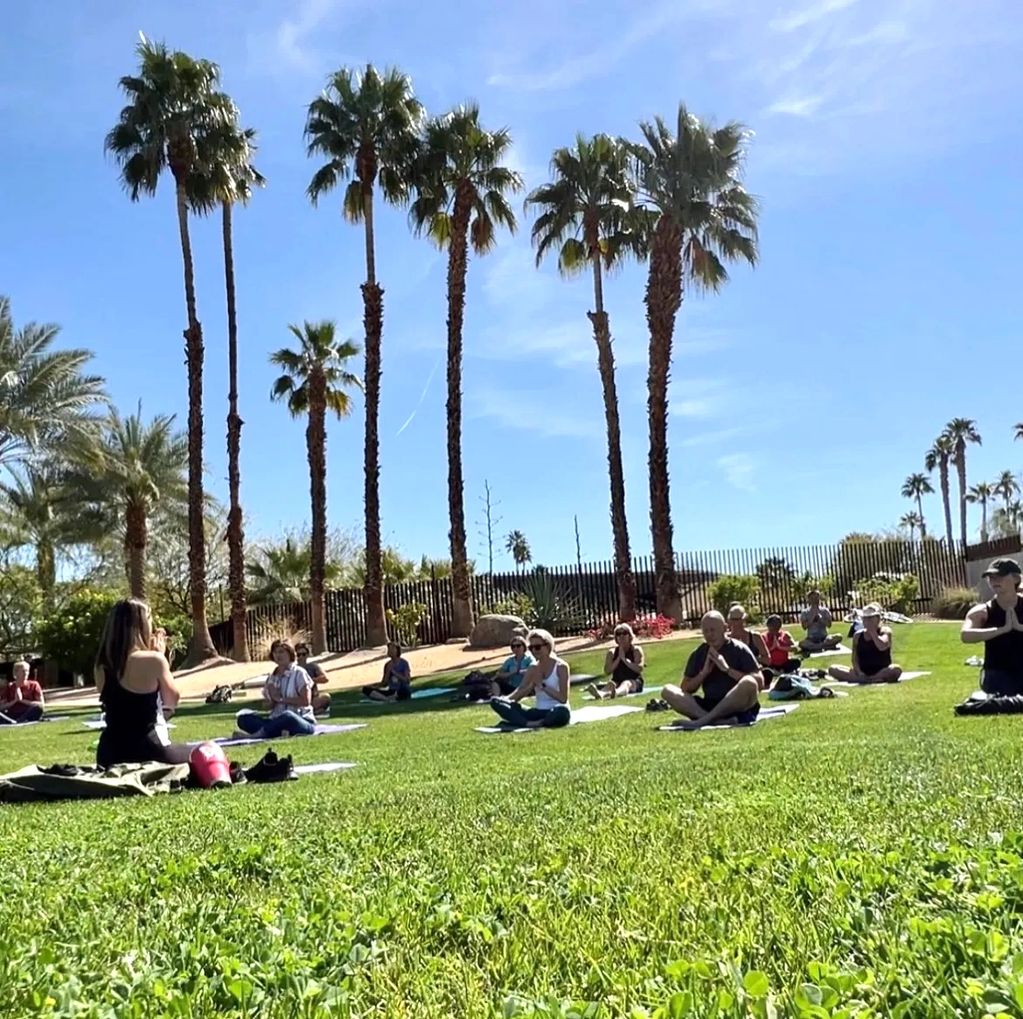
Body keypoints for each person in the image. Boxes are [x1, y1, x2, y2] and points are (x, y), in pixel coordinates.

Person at [94, 599, 192, 767]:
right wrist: (162, 658)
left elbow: (126, 710)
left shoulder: (100, 666)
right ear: (141, 625)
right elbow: (171, 701)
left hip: (109, 754)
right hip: (148, 751)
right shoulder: (154, 660)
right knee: (207, 750)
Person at [661, 611, 762, 729]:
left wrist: (727, 670)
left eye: (713, 630)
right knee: (667, 690)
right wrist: (703, 674)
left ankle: (704, 721)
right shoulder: (699, 653)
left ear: (725, 628)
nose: (709, 635)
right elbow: (685, 688)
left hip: (738, 706)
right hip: (710, 704)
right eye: (706, 631)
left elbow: (759, 682)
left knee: (749, 682)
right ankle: (713, 720)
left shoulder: (739, 649)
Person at [961, 557, 1023, 695]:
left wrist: (1019, 627)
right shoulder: (982, 611)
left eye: (1000, 576)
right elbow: (965, 635)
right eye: (991, 577)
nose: (994, 580)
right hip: (997, 674)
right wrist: (1001, 630)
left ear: (1015, 578)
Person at [489, 629, 571, 729]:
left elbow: (563, 699)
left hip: (557, 709)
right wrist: (505, 701)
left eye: (537, 647)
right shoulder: (533, 668)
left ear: (548, 646)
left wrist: (542, 686)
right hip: (538, 712)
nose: (534, 651)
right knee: (495, 701)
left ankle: (540, 722)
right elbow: (520, 690)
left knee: (561, 712)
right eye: (531, 648)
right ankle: (528, 723)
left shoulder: (561, 666)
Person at [234, 640, 317, 738]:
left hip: (300, 720)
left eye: (281, 652)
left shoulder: (299, 673)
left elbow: (306, 701)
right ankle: (279, 731)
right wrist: (271, 699)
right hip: (274, 720)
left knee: (287, 716)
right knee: (243, 719)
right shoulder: (272, 678)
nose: (278, 655)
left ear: (290, 653)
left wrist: (280, 699)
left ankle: (258, 735)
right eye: (275, 652)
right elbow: (268, 706)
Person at [827, 604, 903, 683]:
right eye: (865, 618)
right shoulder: (857, 635)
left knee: (896, 670)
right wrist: (859, 672)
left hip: (882, 670)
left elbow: (882, 646)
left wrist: (873, 632)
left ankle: (870, 679)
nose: (867, 621)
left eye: (870, 618)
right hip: (862, 672)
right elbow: (854, 659)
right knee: (833, 669)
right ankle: (867, 679)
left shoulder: (885, 631)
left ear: (878, 619)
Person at [587, 624, 645, 699]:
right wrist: (618, 658)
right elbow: (607, 671)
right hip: (617, 680)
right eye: (618, 634)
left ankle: (616, 692)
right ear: (616, 638)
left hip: (634, 680)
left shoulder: (636, 650)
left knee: (626, 683)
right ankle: (601, 694)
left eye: (624, 633)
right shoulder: (612, 652)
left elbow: (639, 668)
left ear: (630, 636)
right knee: (610, 684)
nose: (621, 636)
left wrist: (625, 660)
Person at [725, 605, 769, 681]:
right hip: (731, 676)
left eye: (738, 619)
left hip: (752, 675)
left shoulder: (755, 637)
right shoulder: (725, 638)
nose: (735, 623)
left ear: (743, 619)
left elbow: (767, 660)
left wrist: (750, 659)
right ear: (729, 620)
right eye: (733, 619)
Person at [296, 643, 331, 715]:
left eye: (303, 654)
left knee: (326, 697)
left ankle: (312, 711)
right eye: (298, 654)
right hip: (298, 698)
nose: (301, 657)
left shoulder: (312, 666)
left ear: (307, 655)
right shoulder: (293, 668)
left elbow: (325, 678)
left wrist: (310, 680)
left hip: (312, 698)